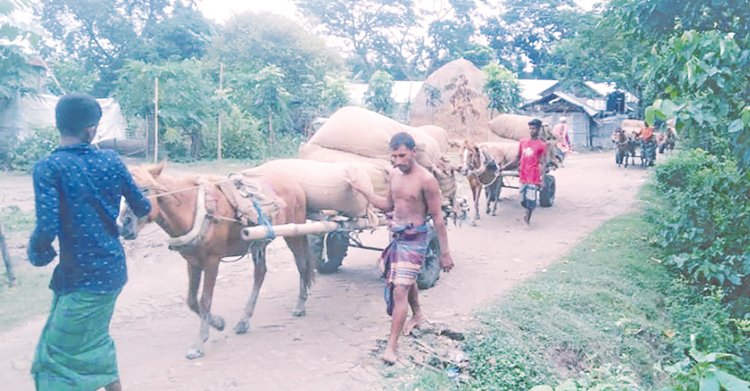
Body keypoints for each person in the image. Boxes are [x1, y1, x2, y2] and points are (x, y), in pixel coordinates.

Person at [27, 93, 152, 391]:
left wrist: (38, 253)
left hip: (81, 276)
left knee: (53, 359)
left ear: (58, 124)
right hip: (108, 271)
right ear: (92, 128)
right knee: (93, 343)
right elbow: (143, 207)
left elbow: (46, 226)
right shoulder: (111, 160)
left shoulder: (48, 167)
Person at [347, 132, 454, 365]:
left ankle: (391, 346)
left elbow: (437, 218)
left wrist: (445, 253)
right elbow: (388, 204)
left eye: (402, 155)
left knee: (399, 290)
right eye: (394, 156)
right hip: (397, 237)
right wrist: (364, 192)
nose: (398, 161)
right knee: (405, 279)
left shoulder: (427, 180)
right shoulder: (393, 175)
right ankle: (418, 314)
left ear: (414, 153)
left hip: (416, 239)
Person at [516, 119, 548, 225]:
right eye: (530, 128)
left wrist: (542, 179)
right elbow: (518, 157)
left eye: (534, 129)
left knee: (530, 200)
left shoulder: (542, 145)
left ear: (539, 129)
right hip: (523, 175)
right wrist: (505, 166)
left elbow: (543, 163)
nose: (531, 131)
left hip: (533, 176)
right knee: (522, 200)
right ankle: (527, 210)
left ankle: (527, 219)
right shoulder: (523, 142)